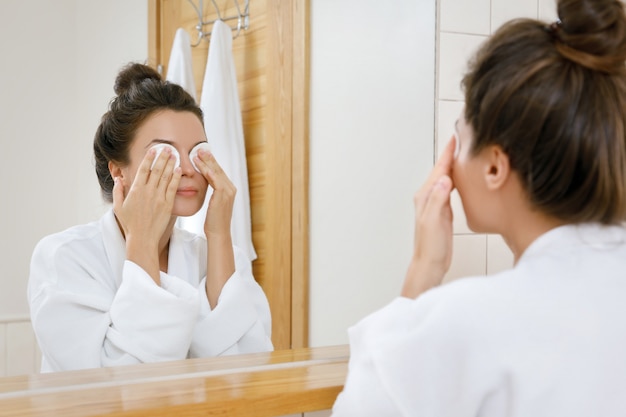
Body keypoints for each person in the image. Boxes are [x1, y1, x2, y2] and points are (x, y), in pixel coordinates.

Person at [331, 0, 626, 415]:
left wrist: (422, 270)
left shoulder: (470, 322)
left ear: (493, 166)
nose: (448, 160)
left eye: (459, 137)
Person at [28, 63, 273, 373]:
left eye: (198, 152)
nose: (188, 168)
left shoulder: (218, 256)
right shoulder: (65, 258)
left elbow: (248, 371)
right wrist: (141, 239)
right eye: (165, 154)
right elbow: (116, 383)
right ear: (118, 169)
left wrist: (220, 237)